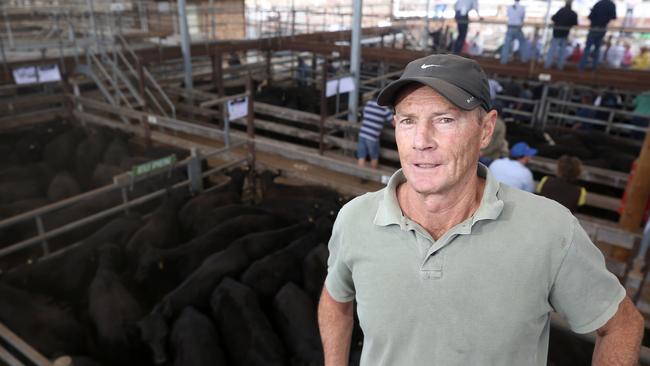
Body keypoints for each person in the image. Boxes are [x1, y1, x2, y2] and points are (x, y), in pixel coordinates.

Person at [318, 53, 643, 366]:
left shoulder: (550, 231)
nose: (421, 140)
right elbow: (335, 300)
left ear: (486, 130)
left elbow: (622, 325)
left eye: (444, 120)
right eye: (408, 120)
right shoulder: (355, 218)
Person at [356, 92, 393, 169]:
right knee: (374, 157)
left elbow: (365, 116)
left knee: (361, 156)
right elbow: (394, 123)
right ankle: (372, 174)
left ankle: (360, 175)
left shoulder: (368, 104)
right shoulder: (385, 109)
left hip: (362, 133)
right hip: (372, 136)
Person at [579, 0, 617, 71]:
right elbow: (613, 17)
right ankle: (594, 68)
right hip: (602, 28)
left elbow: (590, 16)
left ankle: (582, 67)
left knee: (587, 48)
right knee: (597, 48)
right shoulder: (611, 5)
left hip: (593, 27)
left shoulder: (598, 3)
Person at [544, 0, 578, 70]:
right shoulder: (573, 13)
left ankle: (547, 66)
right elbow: (575, 23)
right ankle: (560, 67)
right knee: (562, 52)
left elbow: (553, 18)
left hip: (556, 33)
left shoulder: (561, 11)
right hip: (564, 34)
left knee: (552, 50)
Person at [500, 0, 528, 64]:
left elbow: (508, 16)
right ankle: (524, 59)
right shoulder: (522, 8)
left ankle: (503, 60)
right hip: (517, 28)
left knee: (507, 45)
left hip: (510, 27)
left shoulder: (509, 7)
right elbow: (522, 18)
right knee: (523, 43)